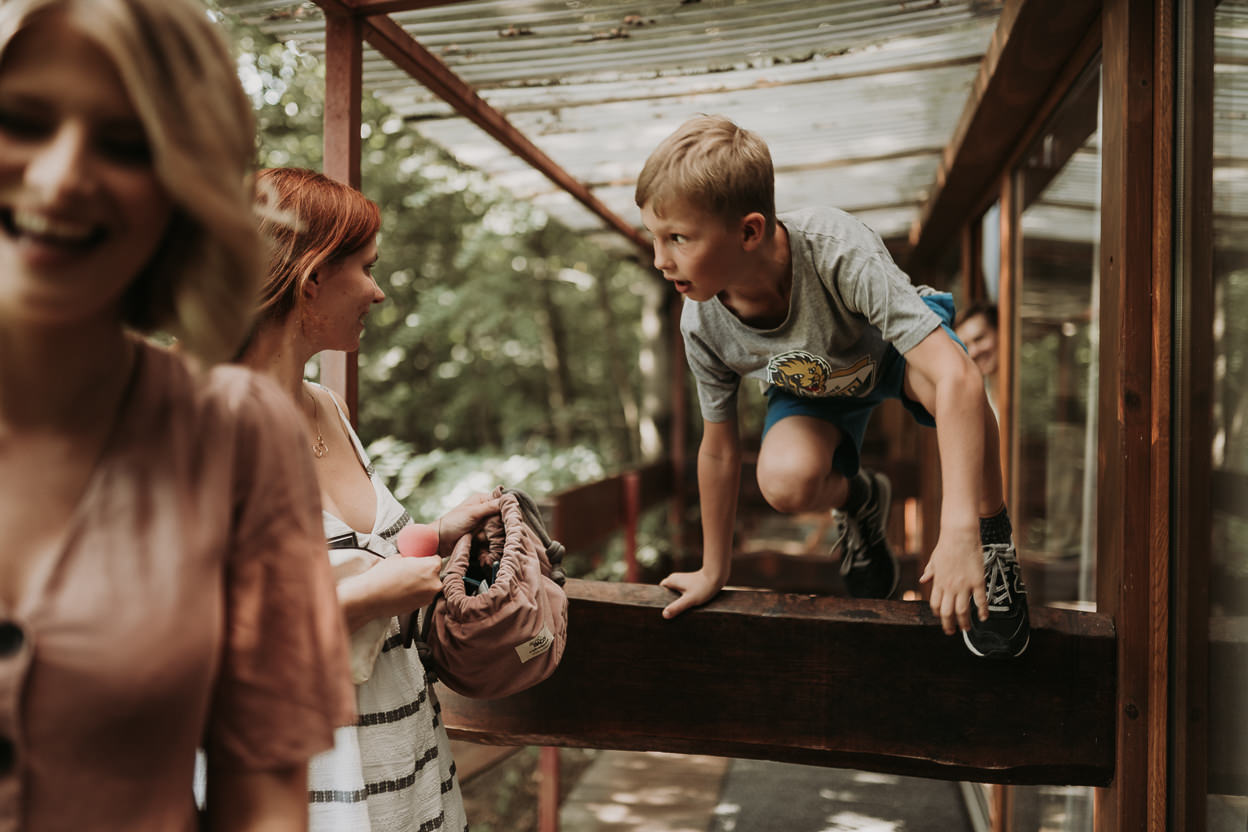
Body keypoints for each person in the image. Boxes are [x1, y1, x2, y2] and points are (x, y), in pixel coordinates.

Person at [0, 1, 357, 830]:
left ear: (184, 194)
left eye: (128, 145)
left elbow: (264, 797)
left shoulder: (234, 435)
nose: (59, 177)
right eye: (23, 121)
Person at [636, 115, 1029, 659]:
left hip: (892, 353)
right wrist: (714, 568)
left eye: (676, 238)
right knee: (784, 483)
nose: (660, 259)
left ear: (748, 232)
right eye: (654, 238)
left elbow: (959, 376)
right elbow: (720, 450)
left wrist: (959, 527)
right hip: (811, 389)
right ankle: (861, 499)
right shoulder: (702, 323)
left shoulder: (833, 247)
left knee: (953, 385)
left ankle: (992, 543)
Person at [242, 166, 499, 831]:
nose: (379, 292)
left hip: (399, 753)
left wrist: (440, 534)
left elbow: (356, 552)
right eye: (367, 268)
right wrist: (365, 599)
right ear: (313, 278)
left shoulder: (326, 404)